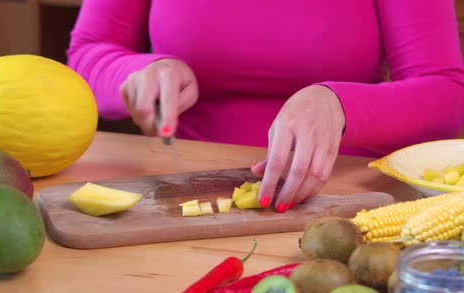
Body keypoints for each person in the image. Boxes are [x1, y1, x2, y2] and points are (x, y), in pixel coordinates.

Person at [66, 1, 464, 213]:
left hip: (342, 200)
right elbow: (84, 59)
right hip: (180, 196)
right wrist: (138, 71)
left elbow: (449, 96)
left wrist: (341, 105)